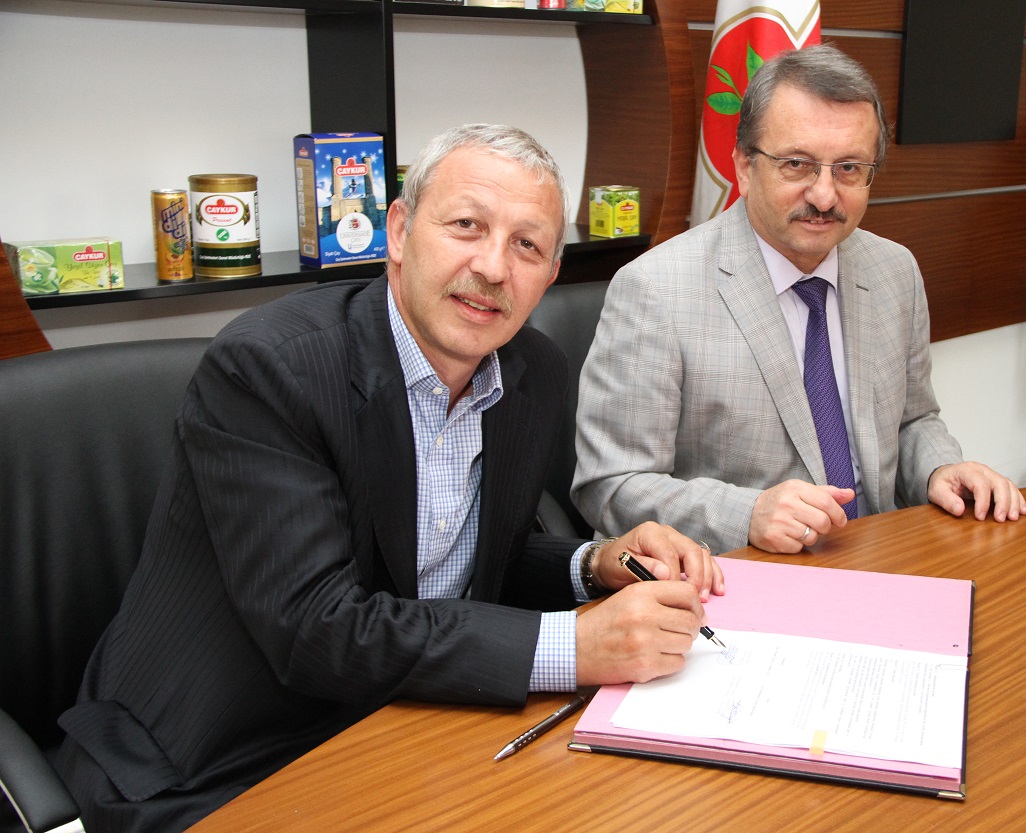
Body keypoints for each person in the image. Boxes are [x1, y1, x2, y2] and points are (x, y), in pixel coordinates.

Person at [56, 123, 724, 833]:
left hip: (402, 722)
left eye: (527, 245)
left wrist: (595, 565)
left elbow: (462, 552)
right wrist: (572, 648)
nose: (493, 266)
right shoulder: (270, 369)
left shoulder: (533, 370)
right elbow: (314, 627)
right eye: (467, 226)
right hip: (223, 756)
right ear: (400, 232)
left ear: (550, 274)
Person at [571, 46, 1026, 556]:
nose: (825, 196)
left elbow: (912, 421)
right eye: (797, 164)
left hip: (879, 557)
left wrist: (940, 468)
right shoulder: (655, 290)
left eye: (849, 168)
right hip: (735, 576)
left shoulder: (894, 270)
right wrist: (746, 514)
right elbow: (611, 484)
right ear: (744, 166)